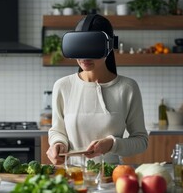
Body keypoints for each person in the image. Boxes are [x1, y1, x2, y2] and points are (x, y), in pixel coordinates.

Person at [46, 14, 148, 165]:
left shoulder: (127, 88)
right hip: (73, 177)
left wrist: (112, 144)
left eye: (92, 47)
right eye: (80, 47)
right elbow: (57, 130)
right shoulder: (62, 86)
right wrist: (57, 144)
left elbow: (141, 141)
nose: (85, 56)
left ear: (109, 47)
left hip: (111, 177)